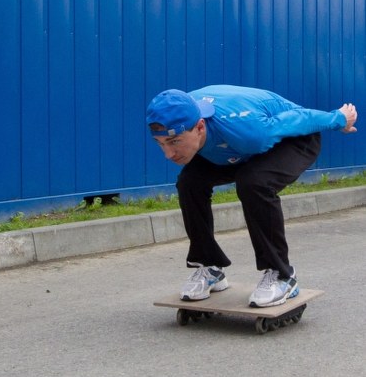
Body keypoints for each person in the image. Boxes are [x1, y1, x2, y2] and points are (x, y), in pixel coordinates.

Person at [146, 85, 356, 309]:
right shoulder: (181, 110)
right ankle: (210, 267)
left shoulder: (247, 129)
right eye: (161, 144)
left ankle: (283, 276)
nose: (168, 154)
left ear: (199, 127)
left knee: (254, 183)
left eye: (175, 142)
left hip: (294, 139)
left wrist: (338, 119)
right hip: (236, 150)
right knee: (189, 182)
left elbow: (298, 118)